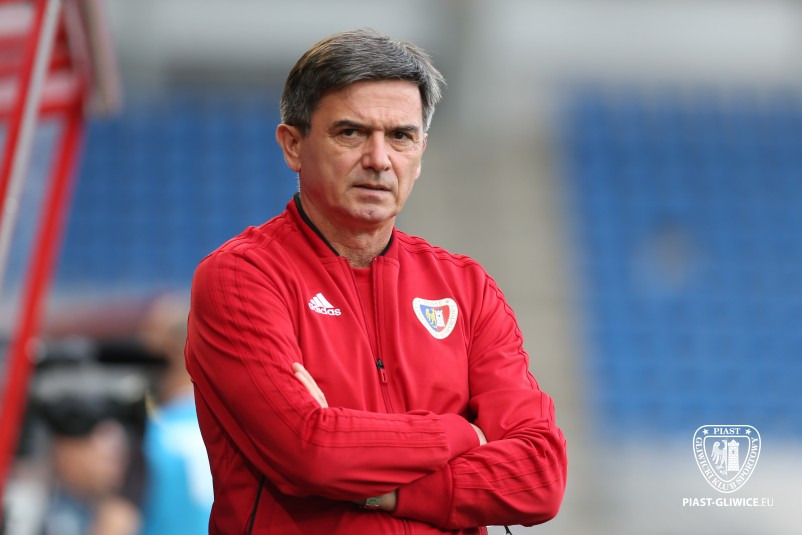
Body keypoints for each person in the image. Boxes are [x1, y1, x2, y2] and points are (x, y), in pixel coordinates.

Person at [185, 28, 567, 534]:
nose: (379, 159)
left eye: (400, 137)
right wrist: (465, 434)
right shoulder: (241, 279)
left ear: (421, 151)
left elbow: (540, 476)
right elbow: (311, 450)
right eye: (351, 133)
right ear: (293, 145)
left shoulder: (466, 288)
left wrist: (386, 489)